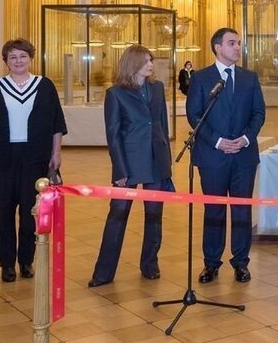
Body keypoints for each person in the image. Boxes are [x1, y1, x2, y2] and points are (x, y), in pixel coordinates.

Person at [0, 39, 66, 283]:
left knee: (30, 211)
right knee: (3, 211)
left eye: (22, 56)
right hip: (1, 157)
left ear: (30, 58)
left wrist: (56, 153)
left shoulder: (44, 86)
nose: (18, 61)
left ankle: (26, 260)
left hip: (35, 156)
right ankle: (7, 264)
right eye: (12, 57)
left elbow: (57, 123)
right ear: (6, 61)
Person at [88, 45, 174, 287]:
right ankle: (103, 273)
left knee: (155, 215)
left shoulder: (157, 89)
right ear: (132, 63)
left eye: (151, 60)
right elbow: (113, 135)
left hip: (156, 162)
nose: (151, 64)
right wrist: (120, 171)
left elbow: (162, 127)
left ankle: (150, 264)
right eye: (146, 61)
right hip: (129, 163)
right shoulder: (116, 94)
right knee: (118, 215)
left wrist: (166, 163)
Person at [187, 27, 266, 284]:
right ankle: (211, 263)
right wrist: (219, 142)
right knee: (214, 211)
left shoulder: (249, 78)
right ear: (218, 47)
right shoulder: (200, 78)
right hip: (212, 156)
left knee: (242, 211)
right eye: (232, 43)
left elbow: (258, 113)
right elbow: (195, 115)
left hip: (243, 156)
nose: (237, 47)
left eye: (239, 43)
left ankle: (241, 263)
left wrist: (244, 139)